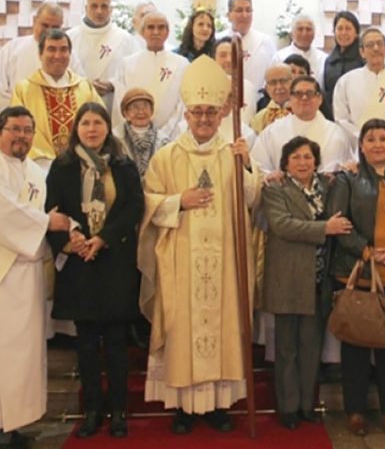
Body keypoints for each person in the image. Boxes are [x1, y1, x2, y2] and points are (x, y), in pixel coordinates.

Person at [139, 55, 262, 434]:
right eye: (198, 112)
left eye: (211, 112)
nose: (205, 118)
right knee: (182, 330)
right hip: (180, 261)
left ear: (222, 113)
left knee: (223, 327)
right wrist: (179, 202)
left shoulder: (233, 153)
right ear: (187, 114)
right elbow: (147, 202)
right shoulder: (166, 157)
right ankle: (183, 408)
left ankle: (218, 406)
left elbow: (252, 200)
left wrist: (245, 167)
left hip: (225, 263)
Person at [45, 102, 144, 438]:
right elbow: (51, 209)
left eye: (97, 123)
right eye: (85, 123)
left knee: (116, 342)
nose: (91, 129)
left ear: (107, 127)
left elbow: (133, 208)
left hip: (114, 261)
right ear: (77, 128)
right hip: (78, 264)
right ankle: (91, 410)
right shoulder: (62, 167)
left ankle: (118, 409)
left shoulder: (124, 165)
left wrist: (101, 238)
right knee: (86, 343)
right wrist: (71, 240)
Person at [327, 119, 385, 437]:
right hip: (357, 272)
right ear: (361, 146)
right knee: (355, 346)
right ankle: (356, 412)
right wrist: (365, 252)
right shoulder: (347, 179)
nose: (377, 144)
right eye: (370, 139)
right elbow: (338, 222)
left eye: (382, 138)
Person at [261, 136, 353, 429]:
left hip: (318, 278)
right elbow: (282, 225)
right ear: (286, 162)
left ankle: (306, 405)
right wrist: (325, 228)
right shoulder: (275, 188)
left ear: (317, 161)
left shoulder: (327, 185)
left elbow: (349, 174)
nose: (303, 162)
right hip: (287, 278)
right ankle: (287, 408)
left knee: (312, 346)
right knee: (287, 348)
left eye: (308, 157)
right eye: (297, 157)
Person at [0, 106, 70, 449]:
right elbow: (5, 212)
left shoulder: (33, 172)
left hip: (28, 275)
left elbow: (48, 213)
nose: (22, 136)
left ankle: (13, 425)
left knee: (24, 355)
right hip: (2, 275)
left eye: (28, 130)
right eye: (15, 129)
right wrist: (46, 224)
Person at [10, 29, 103, 170]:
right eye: (51, 49)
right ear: (40, 54)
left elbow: (101, 123)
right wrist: (45, 161)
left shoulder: (85, 86)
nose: (58, 55)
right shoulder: (24, 89)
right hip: (38, 166)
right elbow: (16, 129)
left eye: (63, 50)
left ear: (70, 54)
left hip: (83, 165)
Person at [252, 75, 354, 174]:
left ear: (320, 99)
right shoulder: (271, 132)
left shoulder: (337, 133)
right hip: (284, 190)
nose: (304, 98)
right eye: (298, 94)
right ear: (290, 99)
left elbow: (348, 168)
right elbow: (259, 166)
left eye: (310, 93)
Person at [112, 12, 189, 139]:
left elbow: (182, 105)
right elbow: (120, 102)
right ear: (142, 32)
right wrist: (131, 133)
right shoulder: (126, 64)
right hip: (132, 136)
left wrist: (164, 135)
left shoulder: (181, 64)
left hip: (170, 137)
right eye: (151, 27)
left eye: (161, 27)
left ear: (167, 32)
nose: (156, 32)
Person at [0, 2, 84, 108]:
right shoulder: (12, 48)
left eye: (55, 27)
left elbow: (80, 87)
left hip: (57, 114)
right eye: (45, 25)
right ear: (34, 21)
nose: (49, 31)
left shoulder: (67, 55)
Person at [67, 0, 138, 113]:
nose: (99, 11)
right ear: (86, 8)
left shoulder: (125, 39)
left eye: (104, 6)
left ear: (110, 10)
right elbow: (63, 72)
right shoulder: (70, 37)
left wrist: (112, 84)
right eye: (94, 6)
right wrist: (86, 85)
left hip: (113, 106)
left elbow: (135, 72)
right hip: (77, 105)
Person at [334, 28, 385, 137]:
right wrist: (363, 137)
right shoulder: (346, 81)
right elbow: (341, 119)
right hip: (358, 144)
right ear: (362, 52)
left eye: (379, 44)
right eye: (370, 45)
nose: (376, 48)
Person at [223, 0, 276, 90]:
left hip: (257, 101)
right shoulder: (218, 40)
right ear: (229, 15)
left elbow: (274, 74)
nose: (245, 15)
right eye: (239, 10)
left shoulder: (265, 41)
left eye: (248, 10)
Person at [114, 88, 169, 177]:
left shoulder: (164, 141)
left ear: (152, 111)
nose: (141, 111)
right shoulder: (116, 138)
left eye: (145, 106)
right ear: (125, 113)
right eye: (135, 107)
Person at [322, 11, 365, 121]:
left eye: (348, 28)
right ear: (334, 32)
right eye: (340, 28)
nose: (343, 33)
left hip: (359, 115)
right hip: (333, 117)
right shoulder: (329, 61)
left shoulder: (364, 58)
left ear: (356, 33)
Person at [272, 15, 328, 87]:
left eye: (308, 29)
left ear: (314, 34)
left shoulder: (323, 58)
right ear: (292, 34)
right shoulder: (279, 57)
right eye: (300, 29)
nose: (304, 33)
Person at [212, 37, 257, 126]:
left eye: (233, 55)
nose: (229, 60)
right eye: (223, 55)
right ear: (213, 59)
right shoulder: (206, 84)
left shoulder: (248, 87)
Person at [250, 63, 293, 133]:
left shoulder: (305, 113)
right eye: (273, 82)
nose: (279, 87)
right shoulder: (258, 119)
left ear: (293, 83)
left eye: (283, 81)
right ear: (267, 88)